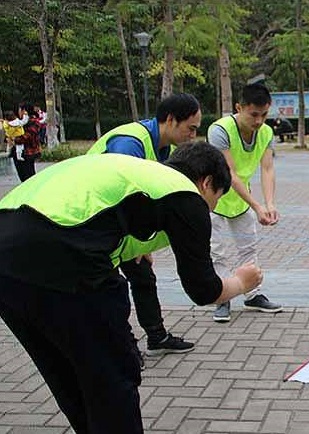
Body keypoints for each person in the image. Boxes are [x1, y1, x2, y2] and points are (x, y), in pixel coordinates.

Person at [0, 144, 263, 433]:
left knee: (66, 373)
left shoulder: (142, 175)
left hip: (7, 256)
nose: (211, 208)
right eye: (216, 198)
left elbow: (94, 216)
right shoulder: (186, 193)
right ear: (207, 183)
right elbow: (203, 290)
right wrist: (241, 282)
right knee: (114, 377)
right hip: (65, 256)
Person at [88, 93, 202, 362]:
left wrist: (141, 244)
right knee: (110, 288)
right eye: (191, 128)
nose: (193, 135)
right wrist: (136, 242)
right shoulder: (129, 144)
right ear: (171, 120)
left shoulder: (166, 149)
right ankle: (122, 350)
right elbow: (120, 196)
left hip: (120, 225)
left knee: (143, 277)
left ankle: (156, 337)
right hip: (93, 224)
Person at [208, 83, 282, 322]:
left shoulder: (266, 133)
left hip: (241, 200)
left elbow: (267, 168)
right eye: (253, 114)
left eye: (264, 115)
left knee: (248, 247)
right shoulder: (219, 130)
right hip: (213, 199)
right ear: (239, 108)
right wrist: (257, 206)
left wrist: (269, 204)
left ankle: (252, 294)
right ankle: (222, 297)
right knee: (216, 251)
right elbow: (229, 173)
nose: (259, 121)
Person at [11, 105, 42, 182]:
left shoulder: (33, 122)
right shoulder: (20, 122)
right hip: (19, 152)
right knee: (23, 176)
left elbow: (27, 136)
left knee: (28, 176)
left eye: (20, 110)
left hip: (28, 153)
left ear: (24, 111)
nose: (19, 112)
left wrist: (14, 139)